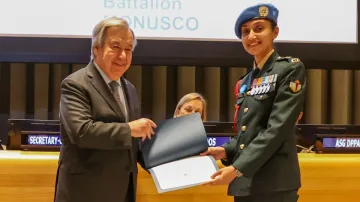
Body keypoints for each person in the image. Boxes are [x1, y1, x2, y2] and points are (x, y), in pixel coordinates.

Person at [201, 3, 306, 202]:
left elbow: (277, 129)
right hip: (245, 185)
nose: (251, 36)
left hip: (274, 184)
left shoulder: (289, 69)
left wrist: (237, 168)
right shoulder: (246, 81)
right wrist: (224, 150)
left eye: (259, 29)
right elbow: (248, 133)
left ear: (275, 32)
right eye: (245, 32)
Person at [54, 16, 157, 202]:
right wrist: (129, 129)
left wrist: (170, 158)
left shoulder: (130, 89)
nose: (123, 56)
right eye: (115, 47)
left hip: (123, 193)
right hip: (85, 194)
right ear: (96, 48)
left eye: (128, 49)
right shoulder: (75, 84)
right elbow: (82, 132)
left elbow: (131, 144)